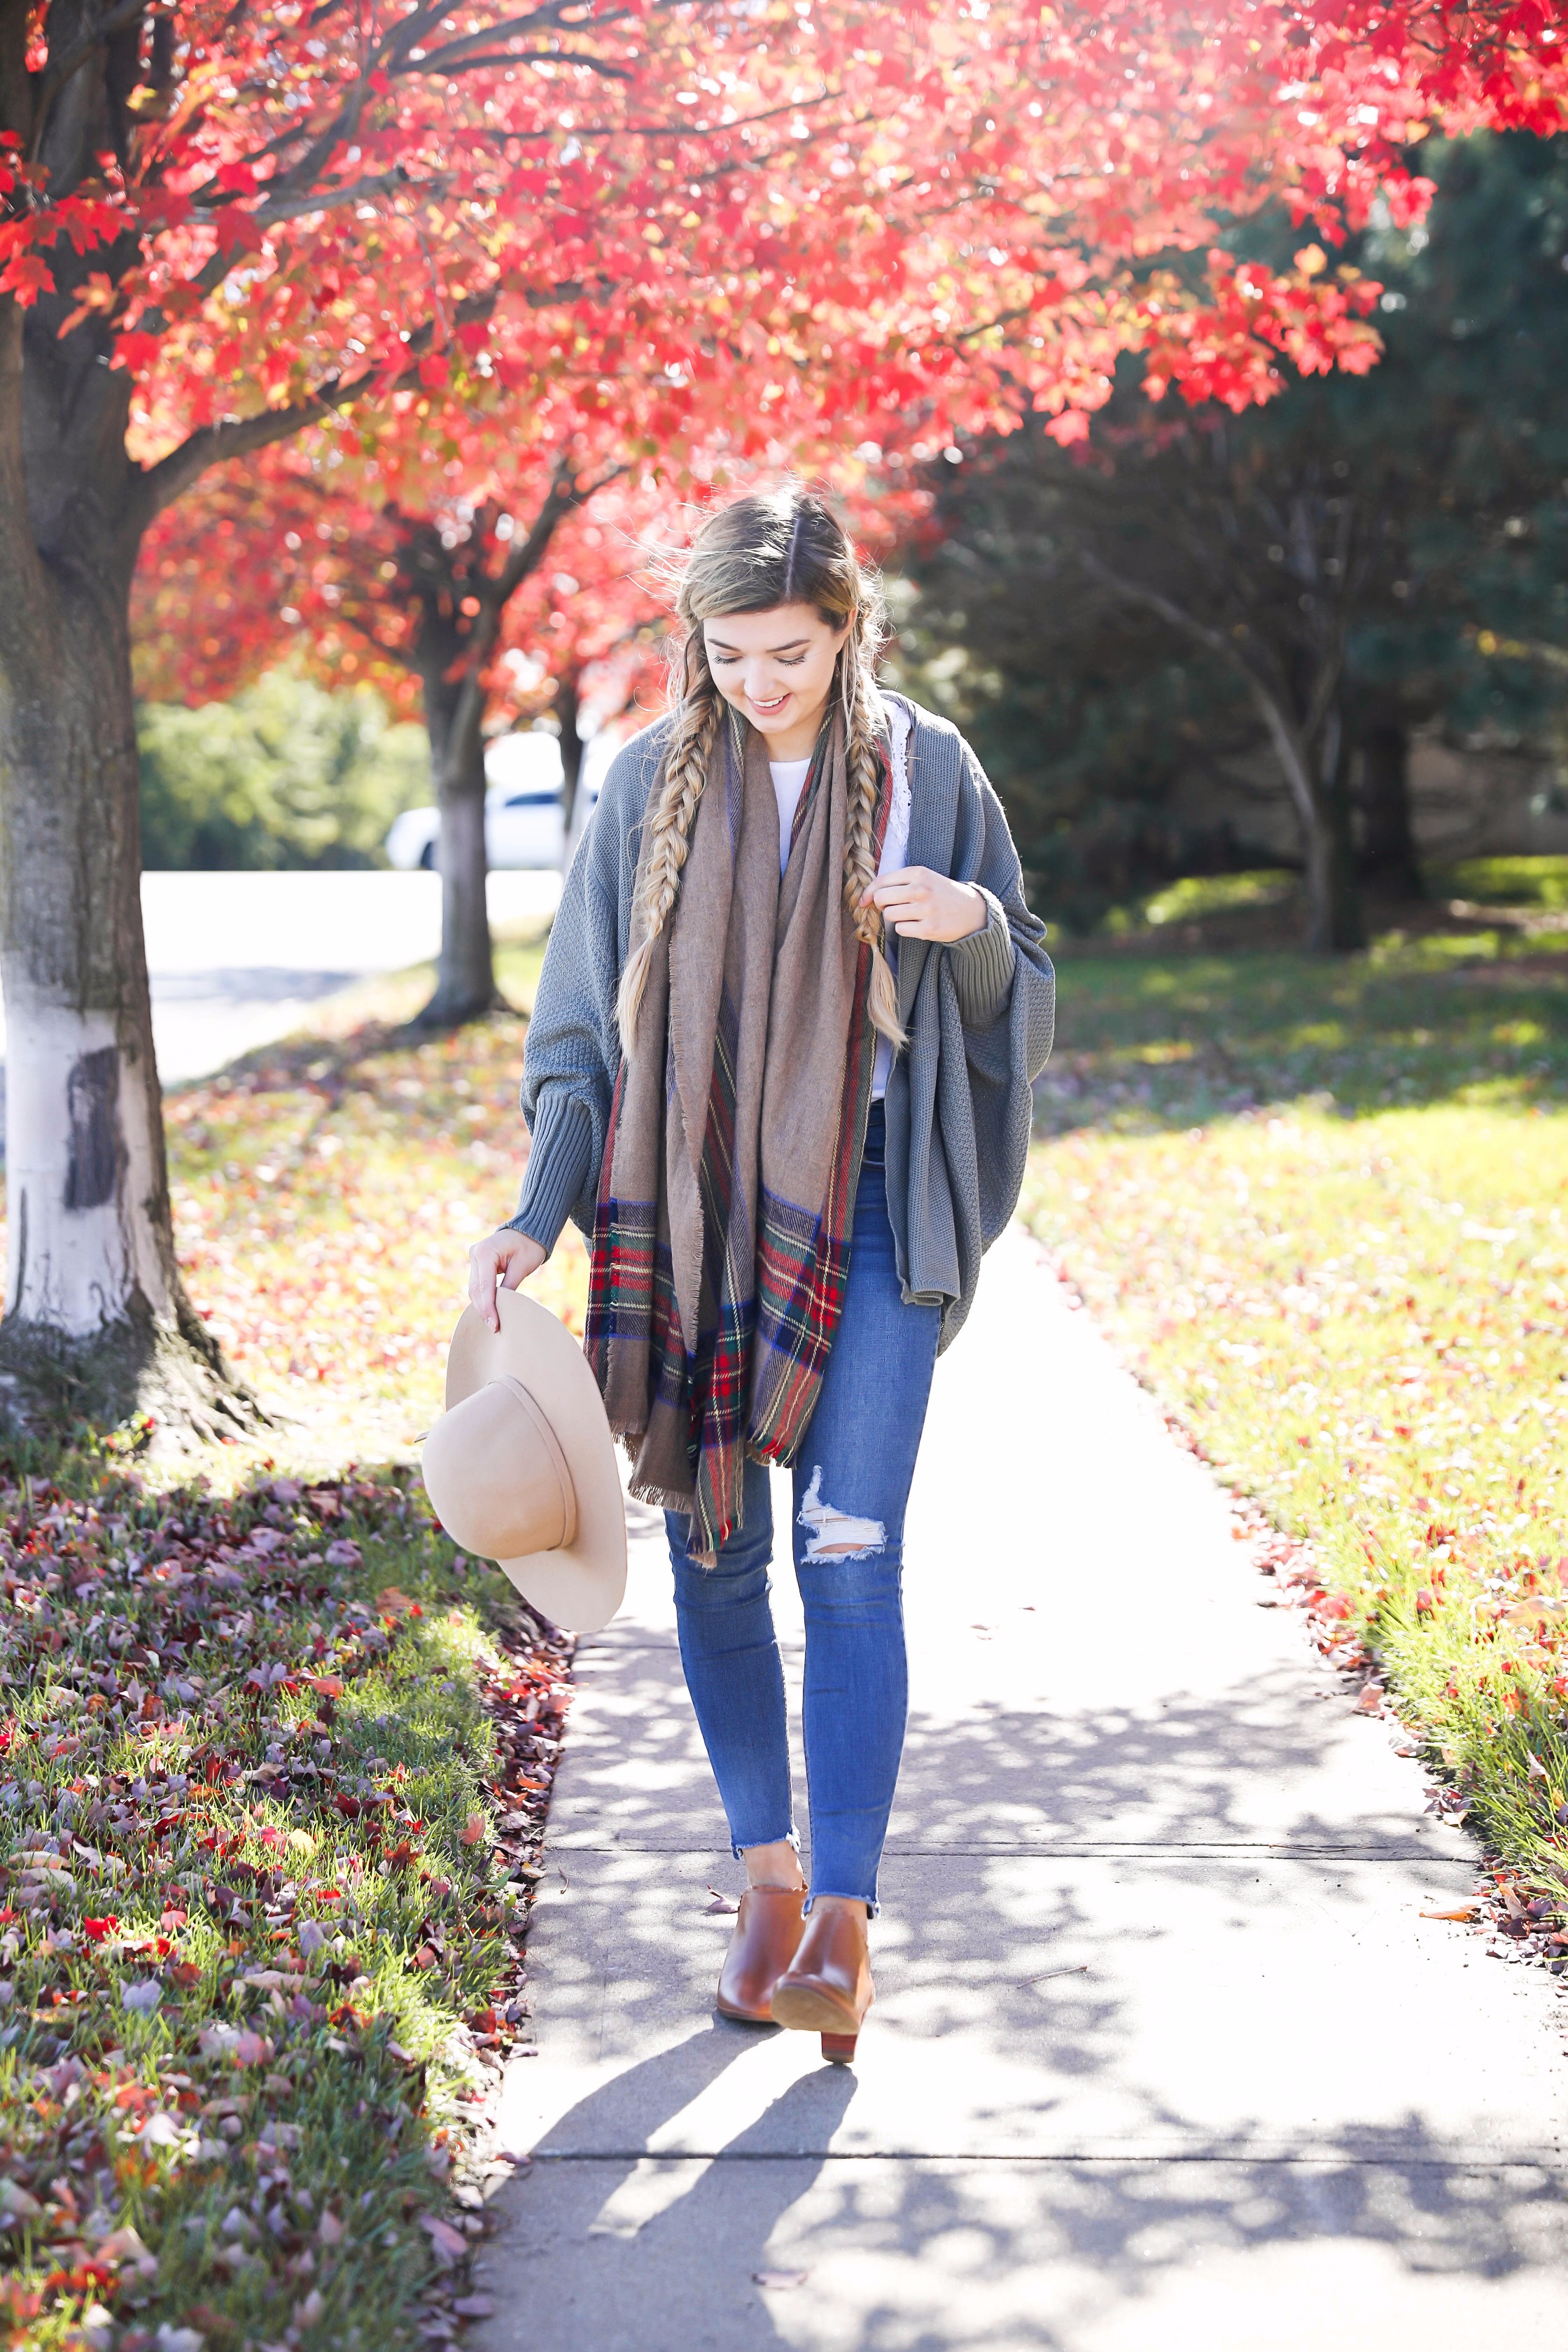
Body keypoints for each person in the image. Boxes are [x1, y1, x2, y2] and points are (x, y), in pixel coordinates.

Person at [466, 485, 1054, 2063]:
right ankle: (764, 1886)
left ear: (848, 627)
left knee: (850, 1551)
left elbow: (1023, 985)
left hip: (868, 1214)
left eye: (788, 652)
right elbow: (580, 1040)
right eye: (728, 653)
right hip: (693, 1213)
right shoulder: (650, 784)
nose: (758, 683)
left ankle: (847, 1926)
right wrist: (540, 1210)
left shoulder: (928, 775)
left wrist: (972, 923)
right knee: (716, 1551)